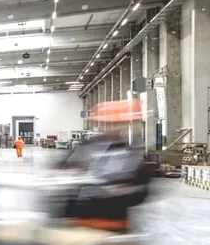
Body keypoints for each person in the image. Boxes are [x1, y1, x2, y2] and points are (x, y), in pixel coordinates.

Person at [55, 98, 154, 230]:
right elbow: (63, 172)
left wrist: (118, 192)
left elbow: (142, 190)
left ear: (127, 124)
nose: (115, 128)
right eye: (110, 124)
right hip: (80, 223)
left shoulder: (132, 154)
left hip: (114, 224)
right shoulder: (86, 147)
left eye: (119, 124)